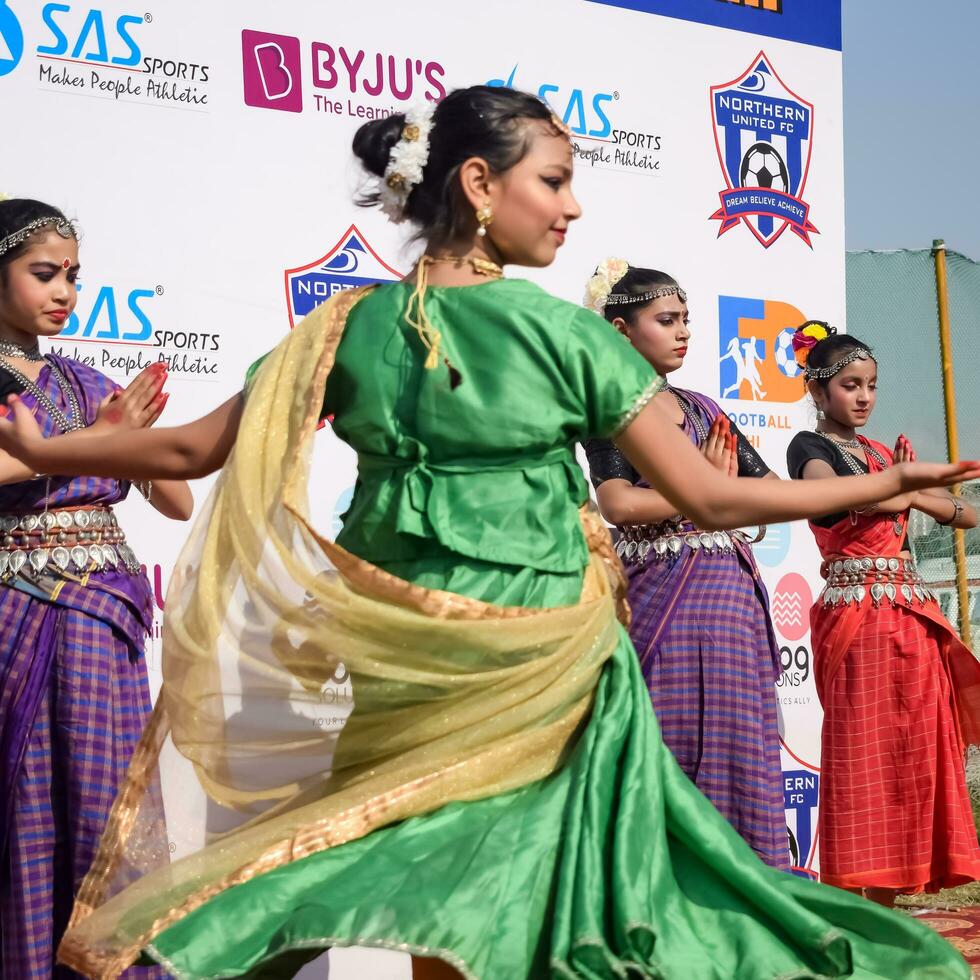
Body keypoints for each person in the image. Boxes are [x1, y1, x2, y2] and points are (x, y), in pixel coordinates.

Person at [0, 89, 975, 980]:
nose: (573, 207)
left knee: (446, 887)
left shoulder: (348, 329)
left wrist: (47, 452)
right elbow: (711, 496)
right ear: (476, 183)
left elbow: (185, 449)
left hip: (443, 658)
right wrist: (882, 481)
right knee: (510, 895)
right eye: (552, 181)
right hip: (527, 650)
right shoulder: (561, 337)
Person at [0, 197, 193, 978]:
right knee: (27, 809)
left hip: (102, 613)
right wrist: (102, 441)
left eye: (73, 277)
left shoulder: (86, 382)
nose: (64, 293)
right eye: (44, 273)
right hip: (20, 609)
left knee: (110, 813)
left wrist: (130, 446)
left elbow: (177, 498)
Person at [583, 259, 788, 870]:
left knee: (739, 752)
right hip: (662, 608)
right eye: (666, 320)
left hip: (730, 607)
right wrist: (700, 488)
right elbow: (618, 504)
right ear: (620, 331)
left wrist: (885, 488)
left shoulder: (704, 408)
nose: (684, 333)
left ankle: (744, 905)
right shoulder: (607, 406)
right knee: (666, 748)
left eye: (686, 321)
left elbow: (770, 491)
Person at [786, 321, 980, 907]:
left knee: (915, 755)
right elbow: (844, 496)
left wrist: (905, 488)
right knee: (864, 759)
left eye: (871, 384)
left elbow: (965, 514)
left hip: (910, 617)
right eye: (850, 385)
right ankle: (864, 904)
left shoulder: (875, 453)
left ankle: (895, 902)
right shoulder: (809, 448)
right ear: (818, 392)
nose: (864, 396)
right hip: (859, 621)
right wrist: (908, 488)